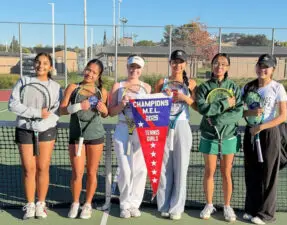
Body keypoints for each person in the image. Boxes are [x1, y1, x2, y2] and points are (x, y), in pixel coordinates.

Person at [8, 52, 62, 219]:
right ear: (34, 64)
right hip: (24, 129)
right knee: (28, 169)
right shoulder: (24, 81)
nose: (40, 65)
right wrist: (36, 113)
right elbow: (13, 105)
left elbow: (56, 112)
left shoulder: (56, 87)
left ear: (50, 67)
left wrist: (42, 123)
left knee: (42, 168)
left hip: (46, 130)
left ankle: (41, 204)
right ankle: (30, 204)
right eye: (38, 62)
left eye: (45, 63)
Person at [195, 53, 243, 222]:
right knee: (209, 172)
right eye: (216, 63)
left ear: (228, 67)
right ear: (212, 65)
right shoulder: (203, 87)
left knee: (226, 173)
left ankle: (227, 206)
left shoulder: (234, 88)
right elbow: (203, 108)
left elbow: (237, 112)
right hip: (209, 135)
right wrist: (224, 104)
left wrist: (216, 118)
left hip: (229, 136)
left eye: (223, 64)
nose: (219, 66)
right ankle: (209, 204)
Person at [242, 54, 287, 225]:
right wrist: (251, 115)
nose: (262, 69)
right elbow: (241, 112)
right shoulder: (247, 87)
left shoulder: (277, 87)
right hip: (251, 132)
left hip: (269, 133)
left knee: (268, 175)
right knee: (251, 173)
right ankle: (251, 209)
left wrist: (261, 126)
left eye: (266, 66)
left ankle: (266, 214)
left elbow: (283, 116)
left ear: (272, 70)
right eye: (260, 65)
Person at [59, 59, 108, 219]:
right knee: (76, 173)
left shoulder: (102, 91)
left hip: (96, 136)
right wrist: (79, 106)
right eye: (88, 69)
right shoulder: (73, 87)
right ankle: (75, 203)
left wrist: (105, 109)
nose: (90, 74)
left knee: (92, 172)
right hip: (76, 136)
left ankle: (87, 204)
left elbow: (105, 114)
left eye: (94, 72)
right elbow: (62, 110)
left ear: (99, 75)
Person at [154, 49, 197, 220]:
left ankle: (177, 207)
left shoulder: (191, 83)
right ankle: (163, 205)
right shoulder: (161, 82)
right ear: (170, 63)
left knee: (181, 167)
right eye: (174, 61)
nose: (177, 65)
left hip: (182, 126)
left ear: (185, 64)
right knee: (163, 167)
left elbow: (197, 107)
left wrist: (184, 98)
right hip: (163, 126)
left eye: (181, 62)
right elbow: (152, 105)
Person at [108, 55, 151, 219]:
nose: (134, 70)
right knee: (125, 170)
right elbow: (111, 111)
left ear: (141, 69)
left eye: (138, 67)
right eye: (131, 67)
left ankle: (134, 204)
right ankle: (124, 204)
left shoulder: (146, 87)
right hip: (123, 128)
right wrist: (122, 104)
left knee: (140, 169)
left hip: (141, 131)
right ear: (127, 67)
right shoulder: (117, 86)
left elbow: (152, 112)